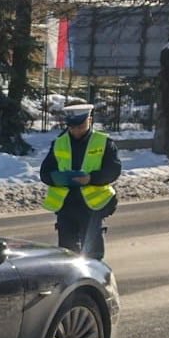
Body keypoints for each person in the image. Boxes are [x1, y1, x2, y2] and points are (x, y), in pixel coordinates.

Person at [39, 103, 121, 259]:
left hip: (92, 206)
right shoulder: (59, 143)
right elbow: (45, 173)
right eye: (72, 127)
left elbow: (113, 170)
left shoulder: (104, 142)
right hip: (66, 205)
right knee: (67, 253)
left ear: (89, 120)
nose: (76, 130)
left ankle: (95, 279)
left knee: (93, 253)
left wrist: (91, 178)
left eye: (80, 126)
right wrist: (58, 179)